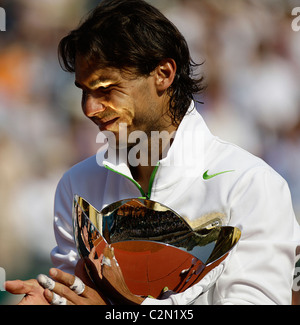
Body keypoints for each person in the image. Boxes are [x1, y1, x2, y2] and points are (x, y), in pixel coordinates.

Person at [5, 0, 300, 305]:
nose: (89, 109)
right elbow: (76, 295)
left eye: (106, 90)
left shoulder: (250, 185)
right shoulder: (76, 185)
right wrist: (53, 300)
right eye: (84, 91)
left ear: (163, 73)